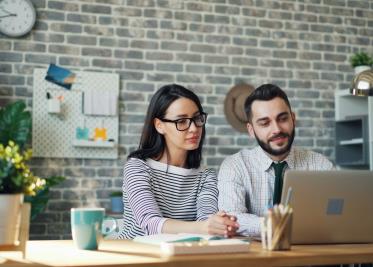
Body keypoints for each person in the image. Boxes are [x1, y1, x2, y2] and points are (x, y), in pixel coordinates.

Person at [119, 84, 239, 239]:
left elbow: (205, 222)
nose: (194, 128)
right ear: (159, 125)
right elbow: (150, 224)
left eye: (197, 118)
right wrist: (204, 227)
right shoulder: (137, 167)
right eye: (181, 121)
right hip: (135, 255)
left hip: (180, 257)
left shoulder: (206, 176)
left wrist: (217, 224)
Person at [218, 83, 333, 237]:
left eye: (283, 119)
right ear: (251, 130)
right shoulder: (235, 166)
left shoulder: (320, 165)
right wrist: (281, 225)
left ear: (293, 119)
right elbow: (232, 218)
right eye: (265, 123)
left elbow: (336, 217)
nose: (277, 129)